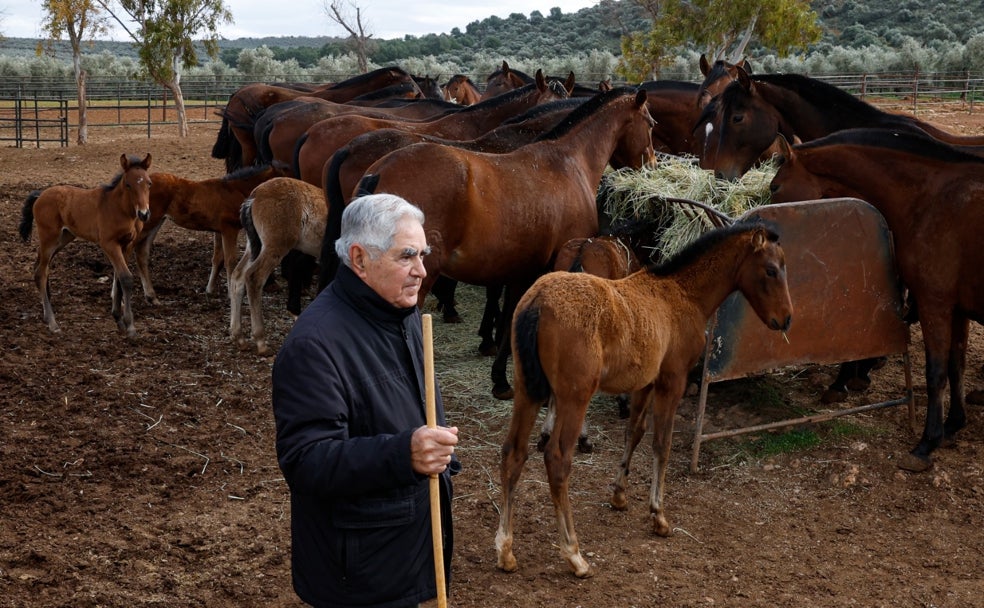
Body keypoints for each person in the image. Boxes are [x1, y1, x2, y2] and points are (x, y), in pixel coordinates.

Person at [272, 193, 460, 608]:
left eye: (423, 254)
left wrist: (436, 451)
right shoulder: (315, 345)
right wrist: (404, 453)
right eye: (406, 256)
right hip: (356, 575)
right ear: (359, 258)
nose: (421, 271)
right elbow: (306, 460)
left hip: (397, 550)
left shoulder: (400, 312)